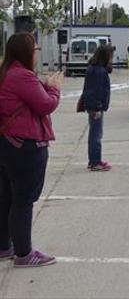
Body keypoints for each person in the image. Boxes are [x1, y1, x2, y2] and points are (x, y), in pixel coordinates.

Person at [0, 32, 62, 267]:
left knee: (6, 196)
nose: (37, 53)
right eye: (36, 49)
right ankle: (24, 254)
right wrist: (54, 88)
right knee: (23, 199)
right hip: (24, 146)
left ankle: (4, 246)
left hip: (7, 143)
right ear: (26, 52)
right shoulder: (21, 76)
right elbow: (46, 105)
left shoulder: (6, 72)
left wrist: (41, 85)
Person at [81, 44, 113, 171]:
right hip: (96, 106)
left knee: (95, 133)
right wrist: (98, 107)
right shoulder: (99, 71)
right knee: (96, 134)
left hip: (92, 104)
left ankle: (94, 160)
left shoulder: (93, 68)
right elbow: (97, 90)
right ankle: (95, 162)